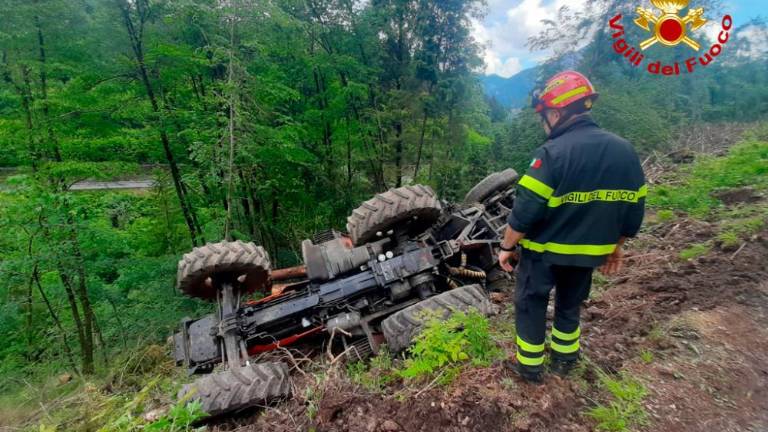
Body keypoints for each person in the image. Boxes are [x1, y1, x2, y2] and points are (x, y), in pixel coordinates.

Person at [497, 71, 646, 383]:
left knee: (531, 304)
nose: (544, 125)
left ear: (555, 113)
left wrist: (507, 247)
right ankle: (564, 364)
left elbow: (524, 211)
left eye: (544, 118)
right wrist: (616, 247)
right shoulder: (625, 151)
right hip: (586, 254)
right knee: (569, 306)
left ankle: (530, 370)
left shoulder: (552, 153)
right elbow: (634, 210)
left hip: (543, 253)